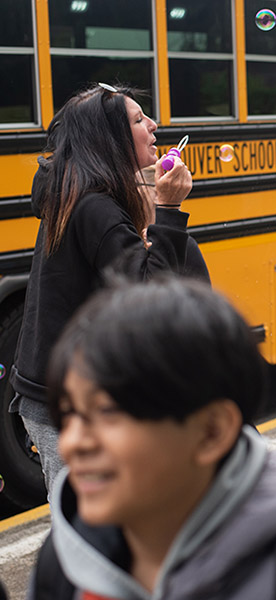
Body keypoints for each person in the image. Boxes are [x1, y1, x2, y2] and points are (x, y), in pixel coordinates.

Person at [28, 277, 276, 599]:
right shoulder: (64, 564)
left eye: (107, 413)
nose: (73, 442)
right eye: (70, 413)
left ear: (212, 431)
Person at [8, 83, 207, 496]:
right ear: (110, 139)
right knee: (89, 529)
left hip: (68, 393)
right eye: (138, 120)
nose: (153, 125)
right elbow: (148, 296)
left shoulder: (77, 192)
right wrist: (168, 211)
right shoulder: (94, 205)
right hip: (65, 405)